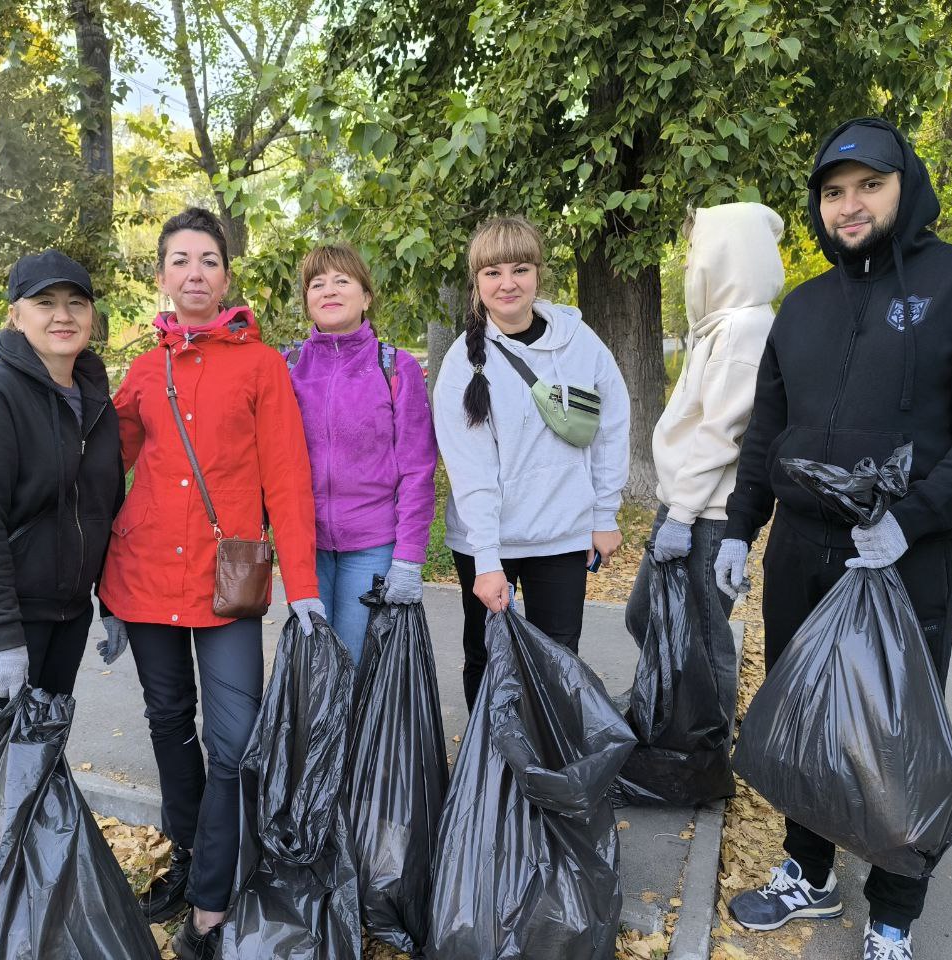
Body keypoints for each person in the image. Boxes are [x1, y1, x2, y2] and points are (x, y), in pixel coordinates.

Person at [718, 118, 952, 960]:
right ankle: (809, 873)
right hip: (800, 549)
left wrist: (915, 517)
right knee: (806, 715)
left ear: (905, 186)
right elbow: (768, 427)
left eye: (868, 186)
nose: (849, 205)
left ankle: (894, 911)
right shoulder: (806, 306)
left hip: (901, 555)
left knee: (895, 732)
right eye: (833, 192)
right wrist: (738, 527)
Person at [93, 207, 323, 959]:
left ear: (227, 277)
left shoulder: (260, 366)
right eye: (180, 260)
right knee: (168, 722)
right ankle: (189, 851)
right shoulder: (142, 367)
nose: (195, 273)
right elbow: (103, 469)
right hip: (144, 573)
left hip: (229, 583)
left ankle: (214, 900)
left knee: (233, 741)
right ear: (161, 275)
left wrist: (306, 587)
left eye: (209, 261)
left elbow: (288, 481)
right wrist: (85, 574)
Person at [0, 249, 123, 849]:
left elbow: (103, 508)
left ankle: (34, 915)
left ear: (92, 316)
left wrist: (111, 600)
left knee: (37, 779)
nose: (62, 315)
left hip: (64, 622)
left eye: (76, 302)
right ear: (16, 315)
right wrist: (2, 638)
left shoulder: (94, 401)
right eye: (45, 303)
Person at [433, 215, 630, 710]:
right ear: (477, 281)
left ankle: (553, 771)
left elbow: (610, 429)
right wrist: (486, 561)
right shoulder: (463, 364)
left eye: (519, 269)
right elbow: (470, 472)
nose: (507, 284)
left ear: (538, 274)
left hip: (562, 537)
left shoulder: (580, 343)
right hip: (488, 540)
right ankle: (491, 774)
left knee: (559, 658)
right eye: (492, 272)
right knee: (487, 657)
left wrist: (604, 516)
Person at [625, 202, 784, 725]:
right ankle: (673, 717)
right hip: (687, 505)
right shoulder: (720, 325)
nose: (691, 262)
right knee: (647, 614)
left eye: (697, 251)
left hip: (706, 515)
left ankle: (704, 751)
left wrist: (682, 516)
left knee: (706, 635)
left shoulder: (744, 328)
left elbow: (723, 434)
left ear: (725, 255)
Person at [285, 243, 437, 664]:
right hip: (307, 545)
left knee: (353, 665)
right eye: (317, 284)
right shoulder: (287, 366)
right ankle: (317, 736)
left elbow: (417, 470)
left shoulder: (395, 366)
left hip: (371, 544)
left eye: (341, 280)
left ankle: (354, 735)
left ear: (366, 296)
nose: (328, 291)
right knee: (311, 666)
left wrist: (409, 557)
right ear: (307, 301)